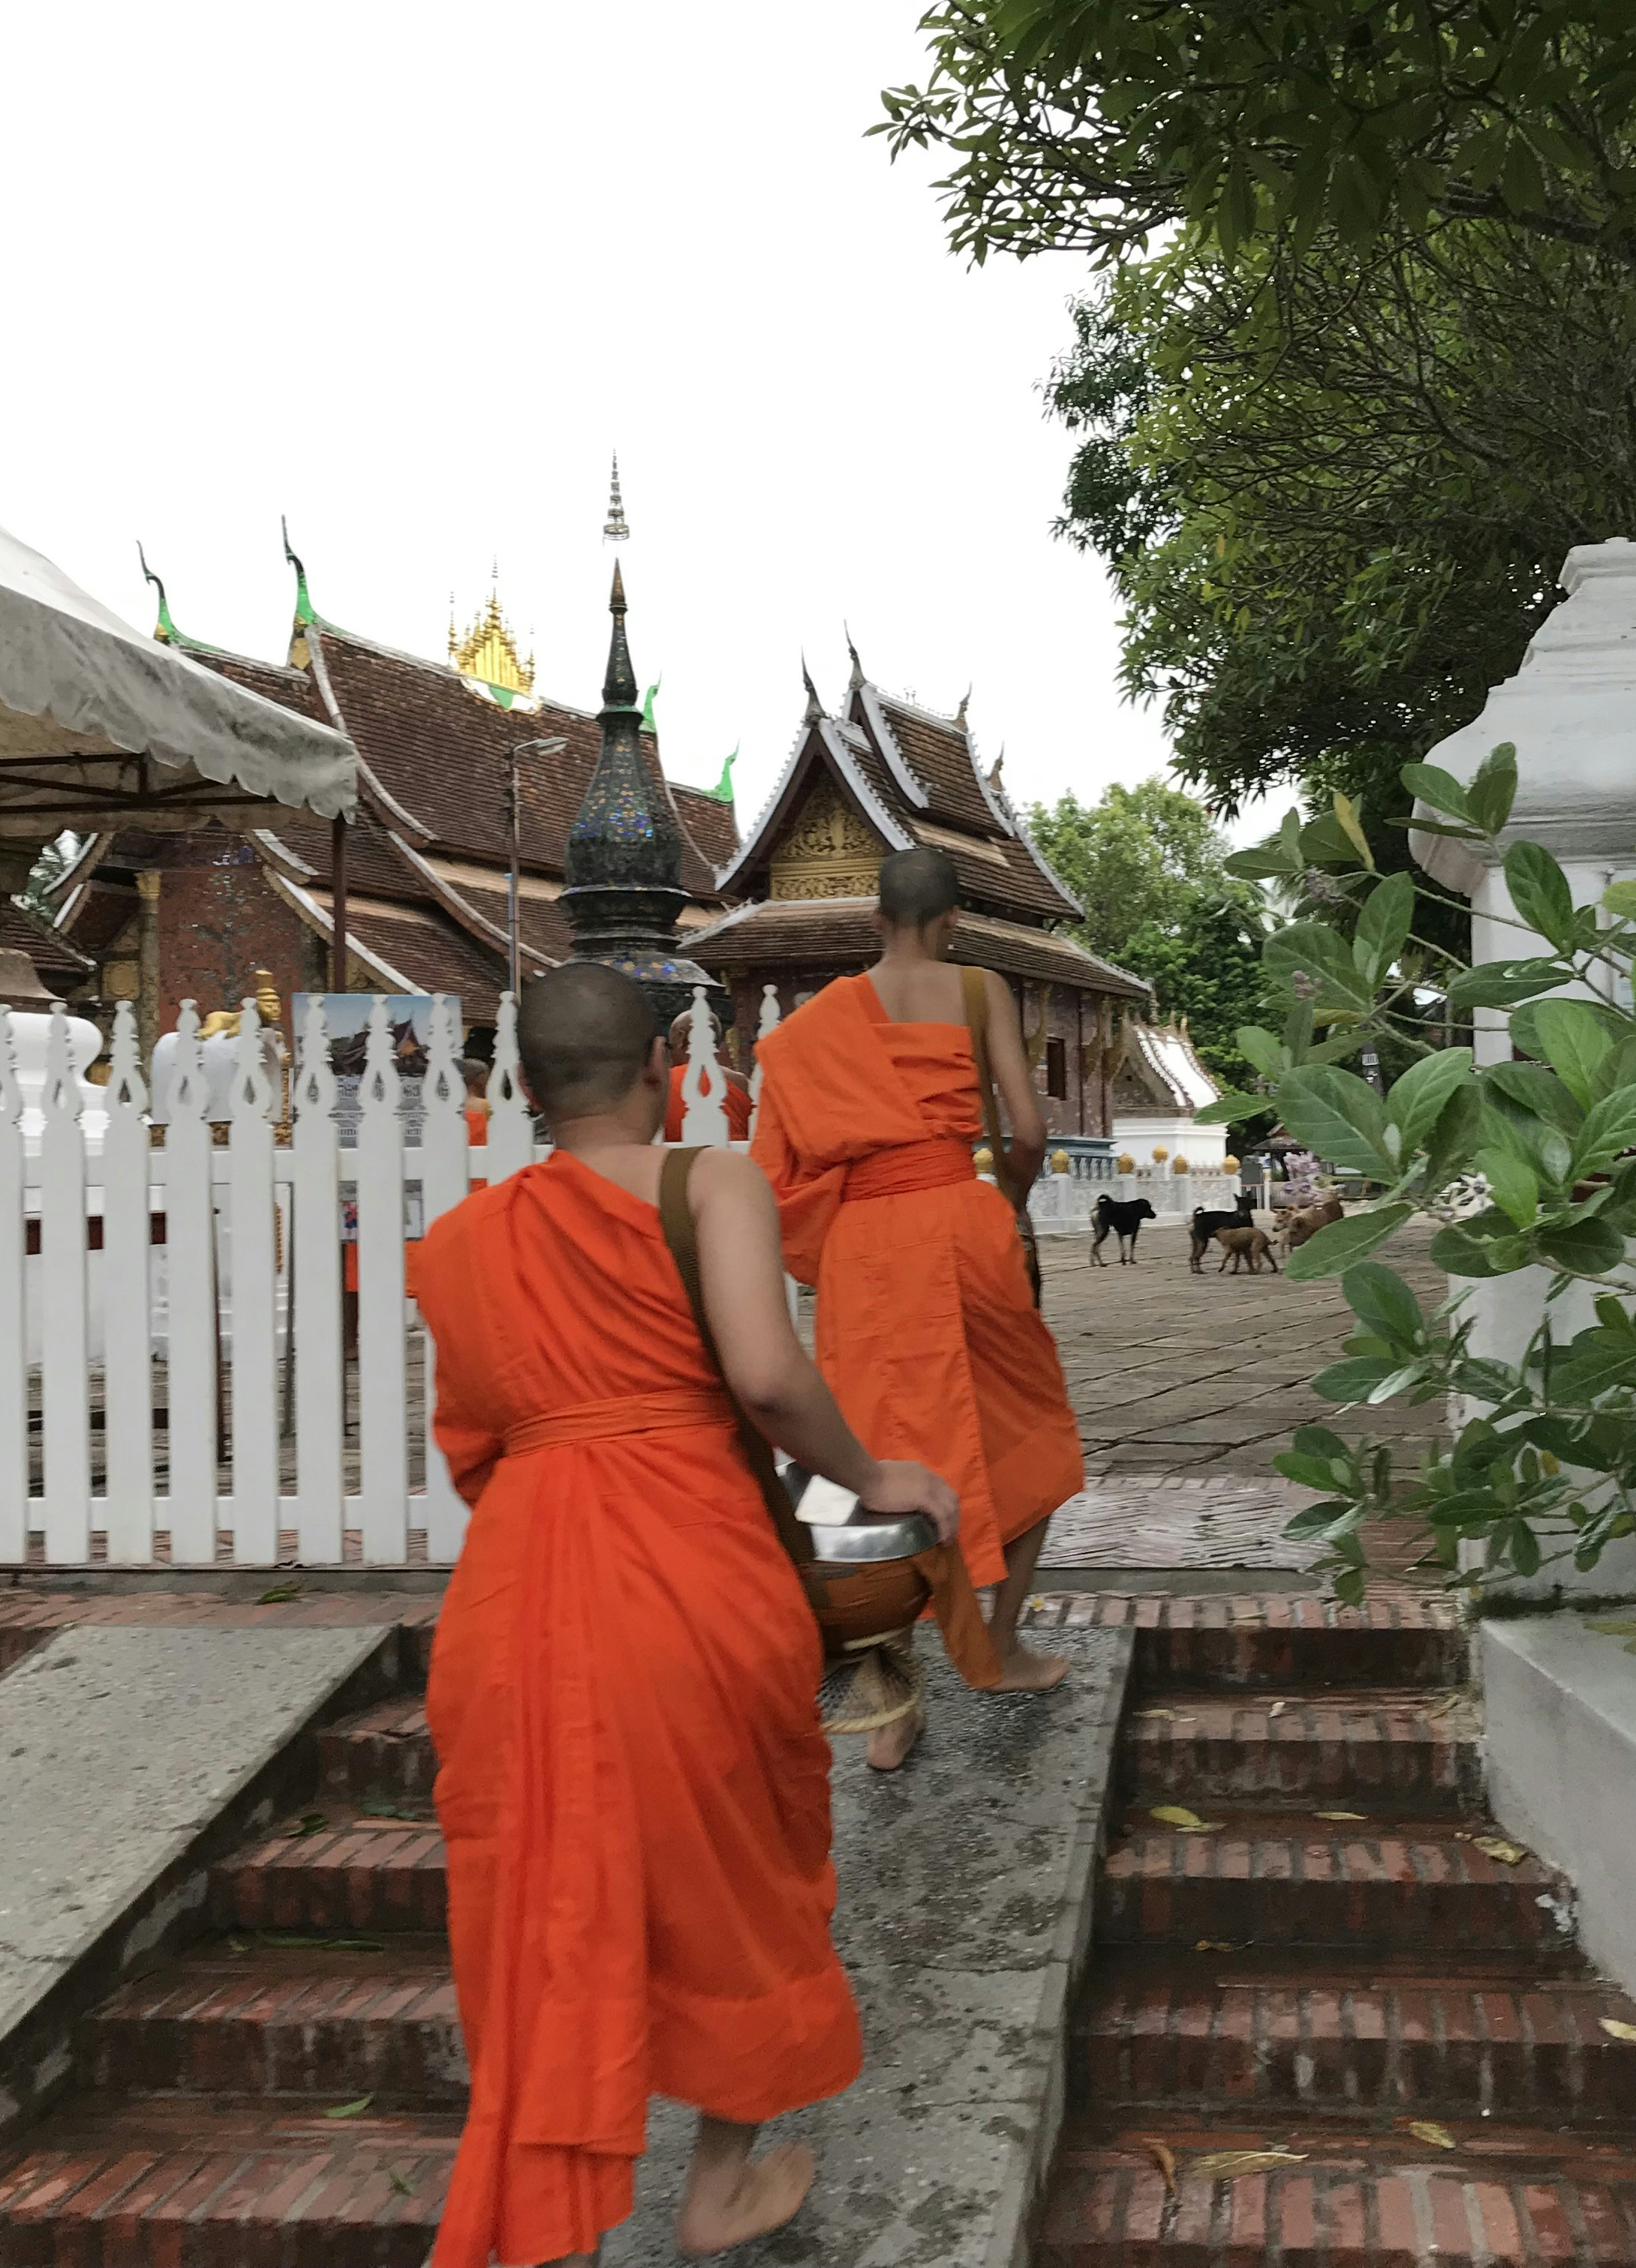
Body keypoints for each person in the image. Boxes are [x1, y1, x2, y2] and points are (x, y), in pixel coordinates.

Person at [409, 961, 960, 2268]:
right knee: (744, 1871)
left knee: (537, 1889)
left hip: (518, 1588)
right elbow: (766, 1376)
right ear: (664, 1064)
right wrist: (877, 1474)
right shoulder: (706, 1179)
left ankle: (553, 2210)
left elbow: (481, 1434)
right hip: (689, 1570)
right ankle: (714, 2183)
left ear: (519, 1090)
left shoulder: (467, 1238)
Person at [750, 844, 1085, 1768]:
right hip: (960, 1225)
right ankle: (1004, 1645)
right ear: (952, 922)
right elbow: (1024, 1131)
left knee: (868, 1454)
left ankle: (890, 1703)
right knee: (1033, 1433)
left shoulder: (819, 1023)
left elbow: (779, 1168)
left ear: (874, 923)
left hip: (863, 1250)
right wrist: (1005, 1202)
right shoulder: (979, 991)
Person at [661, 1005, 753, 1144]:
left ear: (680, 1037)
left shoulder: (664, 1081)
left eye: (669, 1045)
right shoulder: (741, 1082)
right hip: (735, 1157)